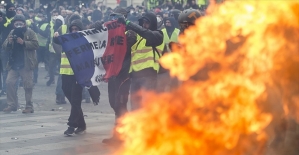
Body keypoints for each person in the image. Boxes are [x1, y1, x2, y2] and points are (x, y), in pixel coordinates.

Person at [101, 7, 136, 145]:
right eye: (112, 17)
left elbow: (126, 48)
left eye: (116, 17)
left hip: (124, 74)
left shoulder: (130, 32)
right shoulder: (108, 31)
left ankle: (123, 134)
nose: (113, 19)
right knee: (113, 103)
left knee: (120, 104)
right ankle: (121, 132)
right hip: (113, 74)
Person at [119, 12, 164, 110]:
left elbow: (147, 34)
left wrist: (128, 23)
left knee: (148, 106)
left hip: (149, 75)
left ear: (152, 23)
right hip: (135, 76)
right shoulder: (137, 36)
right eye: (143, 22)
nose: (144, 25)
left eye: (147, 22)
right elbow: (118, 36)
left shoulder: (158, 35)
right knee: (135, 107)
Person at [2, 14, 39, 113]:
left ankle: (29, 106)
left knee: (28, 85)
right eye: (16, 23)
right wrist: (9, 42)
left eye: (20, 23)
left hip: (26, 64)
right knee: (9, 82)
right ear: (14, 24)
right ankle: (12, 105)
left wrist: (24, 42)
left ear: (24, 24)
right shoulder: (12, 32)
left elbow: (36, 44)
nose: (18, 25)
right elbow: (5, 46)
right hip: (14, 64)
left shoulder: (30, 32)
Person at [0, 3, 16, 97]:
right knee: (4, 69)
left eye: (13, 9)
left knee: (13, 69)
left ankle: (11, 89)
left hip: (15, 47)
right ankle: (4, 89)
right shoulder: (3, 20)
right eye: (10, 9)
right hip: (4, 47)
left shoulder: (17, 19)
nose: (12, 10)